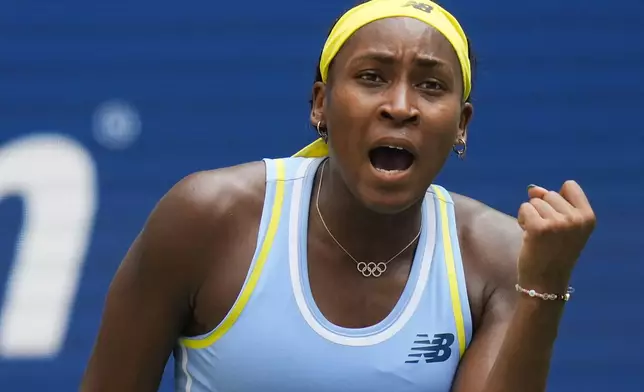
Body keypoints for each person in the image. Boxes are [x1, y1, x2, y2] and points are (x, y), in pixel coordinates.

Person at [80, 1, 596, 391]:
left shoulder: (500, 256)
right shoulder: (206, 218)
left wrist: (544, 287)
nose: (401, 106)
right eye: (372, 78)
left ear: (461, 125)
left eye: (431, 86)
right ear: (320, 105)